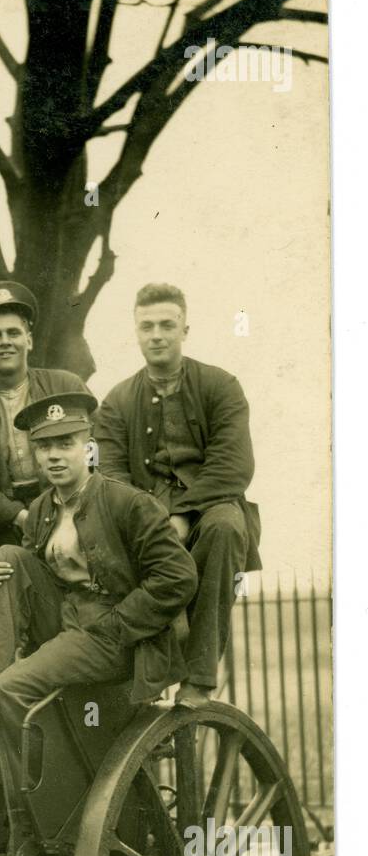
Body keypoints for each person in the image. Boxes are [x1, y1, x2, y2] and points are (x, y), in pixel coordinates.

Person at [0, 394, 198, 856]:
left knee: (12, 689)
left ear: (87, 446)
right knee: (10, 556)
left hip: (115, 637)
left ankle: (33, 825)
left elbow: (178, 577)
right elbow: (37, 581)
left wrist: (118, 622)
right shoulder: (43, 509)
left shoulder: (128, 503)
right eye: (43, 447)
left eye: (65, 444)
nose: (53, 456)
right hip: (68, 628)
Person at [92, 283, 261, 707]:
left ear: (186, 329)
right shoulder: (116, 402)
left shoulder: (221, 386)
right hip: (143, 516)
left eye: (167, 324)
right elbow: (110, 474)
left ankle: (201, 675)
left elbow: (232, 466)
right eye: (146, 326)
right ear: (136, 332)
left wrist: (184, 514)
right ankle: (139, 685)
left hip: (209, 506)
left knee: (225, 528)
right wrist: (151, 518)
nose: (157, 334)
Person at [0, 281, 97, 554]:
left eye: (14, 332)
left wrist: (74, 501)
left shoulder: (65, 385)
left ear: (29, 340)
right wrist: (19, 516)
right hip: (4, 514)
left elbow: (96, 446)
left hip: (67, 501)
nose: (5, 342)